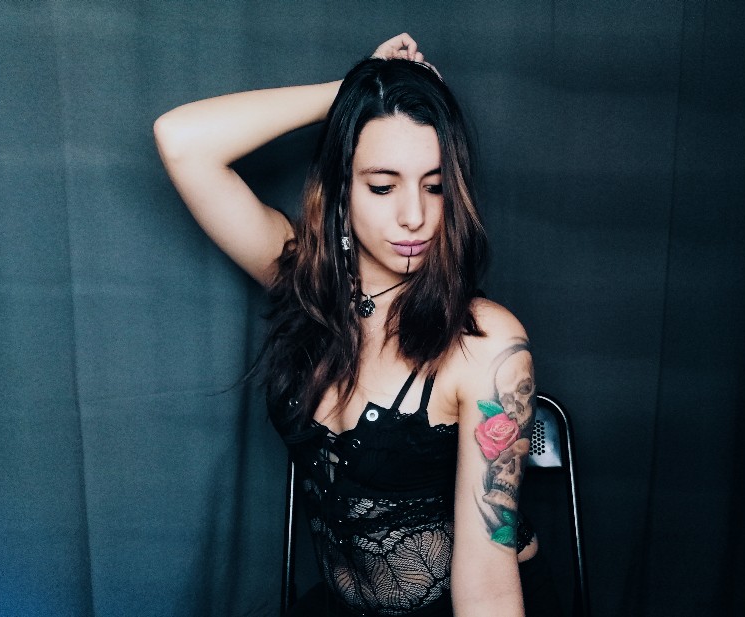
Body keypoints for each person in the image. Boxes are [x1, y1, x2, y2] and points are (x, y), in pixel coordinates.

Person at [155, 33, 557, 617]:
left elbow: (489, 589)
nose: (415, 216)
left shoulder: (484, 342)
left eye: (435, 186)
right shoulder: (308, 286)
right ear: (342, 188)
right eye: (383, 186)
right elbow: (181, 141)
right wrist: (355, 89)